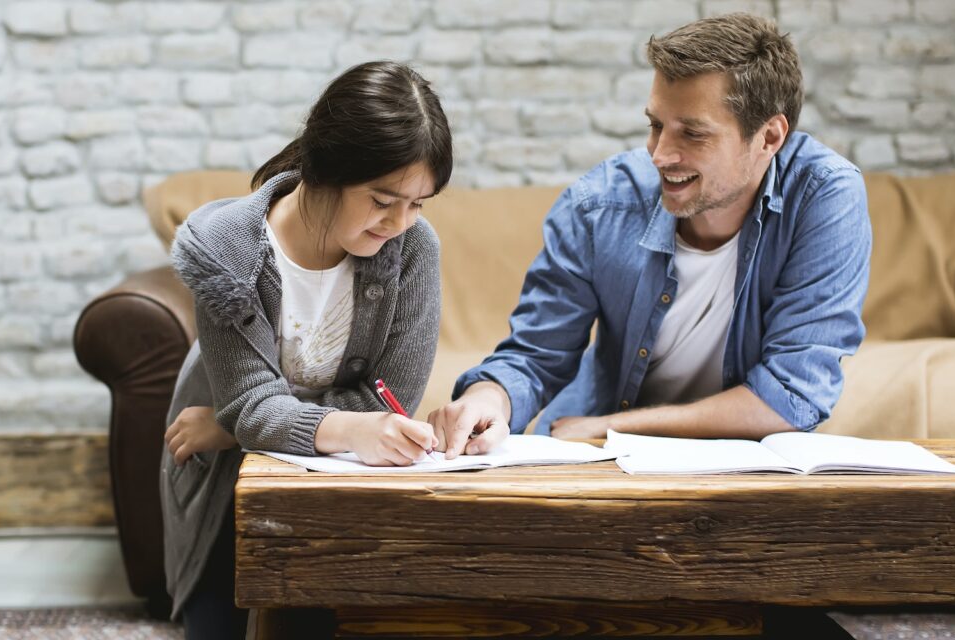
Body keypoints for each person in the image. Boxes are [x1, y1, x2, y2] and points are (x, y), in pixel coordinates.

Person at [430, 13, 873, 457]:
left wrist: (611, 428)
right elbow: (535, 355)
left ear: (769, 137)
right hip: (601, 467)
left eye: (693, 133)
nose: (660, 155)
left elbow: (792, 396)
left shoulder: (823, 196)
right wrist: (487, 400)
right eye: (656, 125)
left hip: (740, 470)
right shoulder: (598, 205)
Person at [159, 60, 452, 639]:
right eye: (382, 199)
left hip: (314, 478)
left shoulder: (414, 250)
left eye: (418, 203)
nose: (399, 222)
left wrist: (235, 422)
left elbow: (389, 401)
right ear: (326, 170)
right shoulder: (225, 248)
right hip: (217, 472)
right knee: (214, 620)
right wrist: (260, 421)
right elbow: (254, 402)